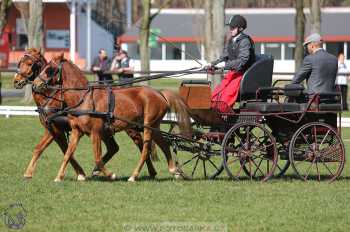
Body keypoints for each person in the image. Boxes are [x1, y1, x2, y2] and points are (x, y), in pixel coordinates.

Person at [209, 15, 255, 112]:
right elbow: (224, 56)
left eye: (233, 28)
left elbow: (243, 60)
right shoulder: (231, 40)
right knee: (216, 93)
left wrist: (224, 66)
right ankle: (213, 111)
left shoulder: (245, 41)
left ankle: (223, 114)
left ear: (240, 28)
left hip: (242, 74)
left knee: (226, 96)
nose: (230, 30)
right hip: (232, 73)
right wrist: (212, 64)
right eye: (230, 27)